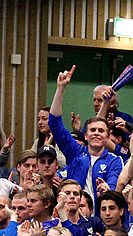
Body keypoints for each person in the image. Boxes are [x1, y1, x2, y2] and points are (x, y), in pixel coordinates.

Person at [48, 66, 123, 199]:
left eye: (101, 131)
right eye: (93, 130)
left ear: (107, 138)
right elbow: (55, 123)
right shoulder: (75, 152)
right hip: (74, 215)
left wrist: (108, 190)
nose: (96, 133)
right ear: (86, 136)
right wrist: (60, 89)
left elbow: (113, 188)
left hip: (101, 217)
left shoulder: (115, 161)